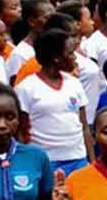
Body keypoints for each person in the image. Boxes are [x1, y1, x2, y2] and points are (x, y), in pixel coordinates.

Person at [14, 29, 91, 176]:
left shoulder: (74, 84)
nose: (75, 58)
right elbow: (21, 132)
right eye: (70, 53)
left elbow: (84, 126)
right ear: (56, 58)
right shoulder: (26, 88)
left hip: (78, 158)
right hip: (45, 161)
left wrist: (91, 159)